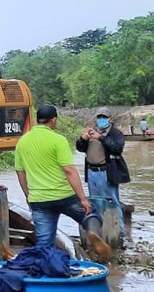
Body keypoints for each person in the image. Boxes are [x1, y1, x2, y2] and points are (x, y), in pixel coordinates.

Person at [14, 105, 113, 261]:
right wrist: (83, 199)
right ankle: (92, 232)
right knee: (91, 214)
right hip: (64, 196)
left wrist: (28, 196)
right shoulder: (58, 140)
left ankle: (46, 270)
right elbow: (69, 171)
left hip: (39, 200)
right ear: (53, 120)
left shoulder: (22, 142)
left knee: (44, 244)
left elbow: (20, 173)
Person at [76, 107, 130, 243]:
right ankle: (98, 231)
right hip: (91, 172)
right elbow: (80, 148)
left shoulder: (115, 133)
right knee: (94, 202)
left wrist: (100, 137)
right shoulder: (92, 132)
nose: (101, 120)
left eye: (104, 117)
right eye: (99, 117)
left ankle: (119, 233)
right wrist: (83, 139)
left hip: (106, 172)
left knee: (112, 201)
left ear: (110, 119)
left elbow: (117, 148)